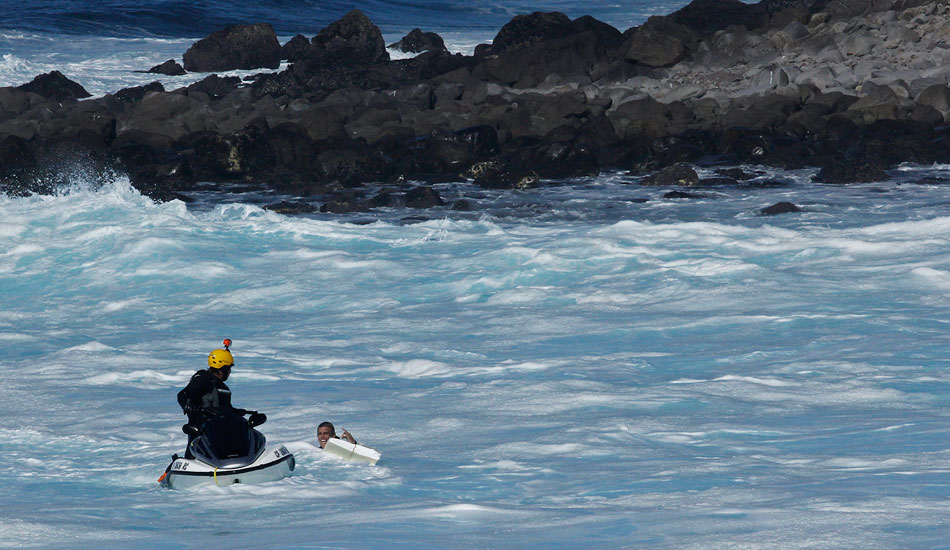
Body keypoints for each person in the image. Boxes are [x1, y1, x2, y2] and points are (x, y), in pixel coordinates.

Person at [177, 339, 257, 456]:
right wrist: (188, 405)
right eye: (229, 368)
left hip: (221, 432)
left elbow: (224, 410)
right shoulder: (203, 378)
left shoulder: (224, 389)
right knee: (194, 452)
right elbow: (184, 394)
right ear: (223, 368)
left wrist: (237, 413)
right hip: (202, 431)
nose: (230, 372)